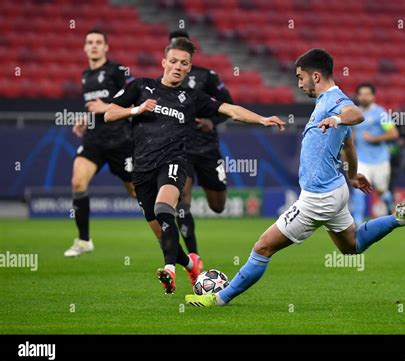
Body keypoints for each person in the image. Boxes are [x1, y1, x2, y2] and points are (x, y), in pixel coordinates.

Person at [185, 49, 405, 307]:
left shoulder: (334, 101)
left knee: (263, 247)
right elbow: (349, 143)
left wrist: (337, 118)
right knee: (352, 246)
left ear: (316, 76)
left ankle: (218, 299)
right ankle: (398, 218)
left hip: (318, 197)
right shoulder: (326, 101)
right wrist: (352, 175)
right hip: (336, 189)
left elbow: (356, 115)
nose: (299, 84)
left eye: (300, 77)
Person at [104, 37, 285, 294]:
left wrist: (262, 119)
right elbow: (109, 113)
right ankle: (191, 264)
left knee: (164, 207)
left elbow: (231, 110)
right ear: (164, 61)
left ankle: (169, 269)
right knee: (163, 236)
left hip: (174, 162)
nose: (178, 66)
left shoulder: (192, 98)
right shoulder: (141, 87)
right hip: (143, 168)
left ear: (190, 68)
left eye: (184, 63)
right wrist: (136, 110)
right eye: (174, 61)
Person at [65, 29, 138, 257]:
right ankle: (84, 240)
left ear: (106, 47)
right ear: (85, 47)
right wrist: (86, 119)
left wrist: (105, 107)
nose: (94, 46)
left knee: (137, 193)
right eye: (90, 42)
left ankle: (167, 222)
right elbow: (94, 108)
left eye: (98, 42)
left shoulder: (117, 71)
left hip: (121, 141)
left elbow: (136, 99)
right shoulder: (85, 75)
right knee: (78, 182)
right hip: (94, 141)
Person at [168, 30, 234, 265]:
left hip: (207, 149)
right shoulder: (162, 83)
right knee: (181, 201)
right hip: (180, 149)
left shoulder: (208, 76)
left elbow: (229, 105)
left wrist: (210, 121)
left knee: (218, 206)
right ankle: (194, 258)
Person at [351, 83, 399, 226]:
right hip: (361, 159)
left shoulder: (381, 113)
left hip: (380, 159)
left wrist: (375, 138)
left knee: (382, 190)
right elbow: (352, 134)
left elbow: (393, 133)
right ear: (358, 96)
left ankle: (391, 209)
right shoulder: (354, 113)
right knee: (358, 189)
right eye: (361, 94)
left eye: (367, 94)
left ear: (373, 96)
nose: (364, 97)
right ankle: (357, 223)